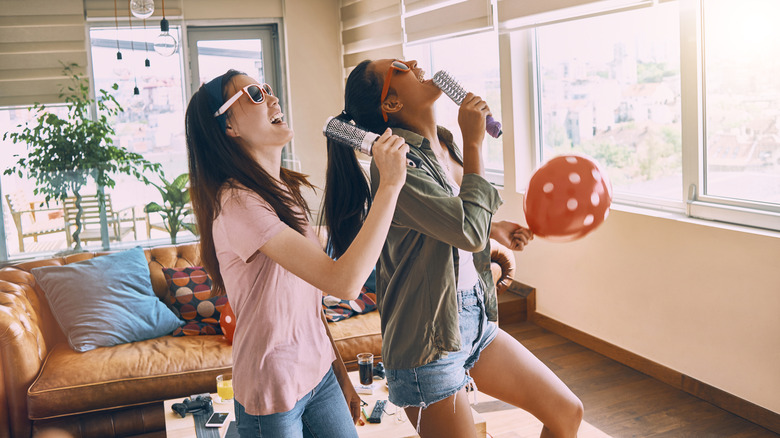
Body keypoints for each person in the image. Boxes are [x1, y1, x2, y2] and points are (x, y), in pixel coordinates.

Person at [322, 59, 583, 438]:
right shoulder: (395, 162)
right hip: (426, 342)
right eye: (399, 66)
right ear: (391, 103)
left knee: (567, 412)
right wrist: (476, 142)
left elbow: (452, 219)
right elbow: (467, 230)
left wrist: (495, 227)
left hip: (474, 320)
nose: (412, 62)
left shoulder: (443, 140)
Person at [185, 69, 409, 438]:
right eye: (255, 94)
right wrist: (391, 184)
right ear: (229, 127)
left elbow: (308, 301)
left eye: (268, 89)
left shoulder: (283, 188)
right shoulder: (238, 203)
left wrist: (340, 377)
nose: (272, 98)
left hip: (319, 375)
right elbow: (345, 282)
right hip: (273, 392)